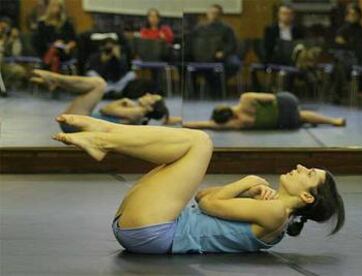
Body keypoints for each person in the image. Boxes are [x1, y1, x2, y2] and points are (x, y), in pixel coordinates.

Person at [51, 116, 345, 254]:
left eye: (308, 173)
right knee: (177, 155)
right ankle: (107, 132)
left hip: (156, 232)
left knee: (201, 142)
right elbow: (204, 195)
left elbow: (207, 203)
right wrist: (246, 190)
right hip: (151, 227)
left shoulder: (277, 214)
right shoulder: (270, 208)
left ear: (306, 197)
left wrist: (247, 181)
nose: (300, 167)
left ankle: (105, 137)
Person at [29, 69, 179, 132]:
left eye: (151, 97)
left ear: (150, 108)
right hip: (79, 121)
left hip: (77, 124)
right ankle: (55, 80)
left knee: (99, 84)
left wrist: (123, 101)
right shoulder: (138, 112)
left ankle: (55, 80)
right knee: (96, 84)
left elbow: (105, 110)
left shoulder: (137, 113)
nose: (147, 94)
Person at [183, 92, 346, 130]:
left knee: (301, 116)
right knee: (301, 115)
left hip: (284, 113)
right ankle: (333, 121)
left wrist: (184, 124)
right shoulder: (246, 100)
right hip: (284, 114)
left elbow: (207, 124)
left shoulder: (235, 123)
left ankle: (332, 121)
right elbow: (271, 97)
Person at [189, 4, 241, 96]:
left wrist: (223, 53)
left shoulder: (227, 28)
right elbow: (192, 43)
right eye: (211, 13)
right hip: (203, 57)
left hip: (222, 56)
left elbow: (232, 44)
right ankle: (195, 92)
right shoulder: (199, 28)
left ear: (220, 15)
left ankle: (220, 83)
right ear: (207, 14)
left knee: (234, 64)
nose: (213, 15)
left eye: (216, 13)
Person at [33, 0, 77, 72]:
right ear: (49, 7)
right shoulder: (42, 24)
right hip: (45, 51)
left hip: (63, 51)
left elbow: (74, 40)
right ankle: (54, 79)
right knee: (54, 59)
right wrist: (53, 45)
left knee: (55, 51)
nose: (56, 9)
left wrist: (68, 46)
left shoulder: (67, 24)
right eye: (54, 6)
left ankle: (44, 66)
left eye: (58, 6)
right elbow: (38, 41)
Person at [0, 16, 26, 94]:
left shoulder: (11, 38)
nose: (3, 30)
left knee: (20, 71)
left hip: (6, 63)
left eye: (5, 28)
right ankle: (2, 88)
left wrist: (13, 40)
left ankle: (4, 86)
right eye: (2, 27)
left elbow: (15, 54)